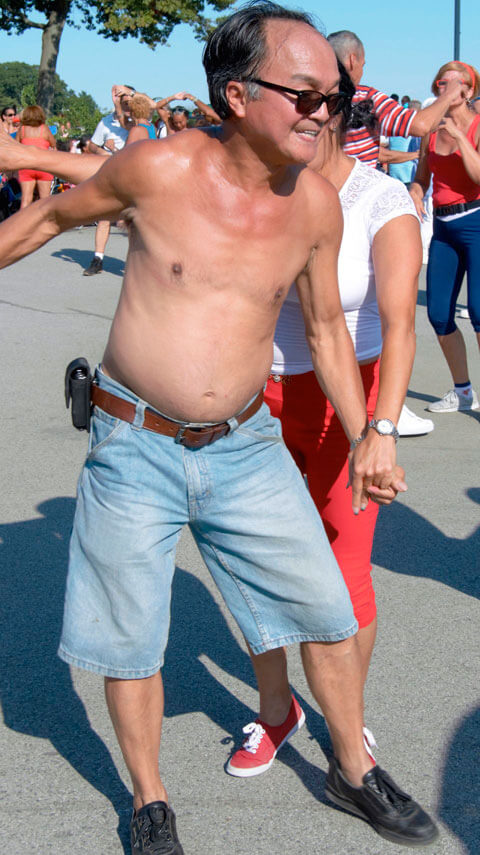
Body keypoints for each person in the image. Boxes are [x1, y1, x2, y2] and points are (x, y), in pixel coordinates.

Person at [0, 6, 439, 851]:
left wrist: (370, 434)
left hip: (248, 445)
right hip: (132, 441)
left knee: (326, 611)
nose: (325, 113)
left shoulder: (316, 206)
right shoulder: (158, 168)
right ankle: (150, 798)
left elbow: (326, 331)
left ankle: (351, 770)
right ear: (239, 94)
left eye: (336, 97)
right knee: (130, 637)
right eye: (307, 94)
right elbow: (43, 220)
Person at [225, 59, 426, 780]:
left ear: (335, 113)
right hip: (254, 395)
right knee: (254, 562)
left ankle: (349, 718)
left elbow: (399, 326)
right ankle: (277, 709)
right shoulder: (266, 182)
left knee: (342, 573)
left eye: (312, 104)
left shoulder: (382, 200)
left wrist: (383, 427)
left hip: (348, 394)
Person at [409, 61, 480, 413]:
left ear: (468, 91)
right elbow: (421, 177)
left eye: (451, 83)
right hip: (443, 228)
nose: (443, 89)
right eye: (439, 82)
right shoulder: (430, 130)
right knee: (438, 314)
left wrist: (461, 136)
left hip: (476, 220)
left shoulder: (479, 125)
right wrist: (415, 192)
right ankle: (463, 391)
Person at [328, 30, 465, 167]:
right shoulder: (365, 98)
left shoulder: (319, 97)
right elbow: (420, 125)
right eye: (363, 65)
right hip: (353, 184)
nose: (362, 72)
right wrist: (449, 93)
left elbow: (370, 151)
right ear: (353, 60)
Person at [83, 85, 134, 276]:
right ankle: (97, 259)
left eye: (126, 97)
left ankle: (135, 263)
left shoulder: (136, 122)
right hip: (110, 175)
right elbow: (93, 145)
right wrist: (103, 151)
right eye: (120, 98)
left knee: (131, 221)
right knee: (104, 217)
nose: (122, 100)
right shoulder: (105, 122)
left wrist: (115, 151)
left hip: (131, 176)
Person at [16, 105, 56, 209]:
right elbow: (53, 145)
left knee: (26, 200)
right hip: (43, 166)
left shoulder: (22, 130)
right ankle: (45, 224)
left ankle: (23, 224)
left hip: (27, 166)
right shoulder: (45, 129)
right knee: (45, 200)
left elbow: (15, 147)